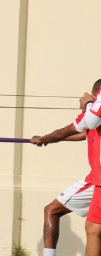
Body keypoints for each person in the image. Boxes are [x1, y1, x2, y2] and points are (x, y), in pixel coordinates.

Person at [30, 79, 101, 256]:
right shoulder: (91, 118)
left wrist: (88, 104)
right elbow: (81, 133)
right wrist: (48, 139)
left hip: (96, 180)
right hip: (94, 179)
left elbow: (81, 126)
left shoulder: (93, 109)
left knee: (90, 228)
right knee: (93, 228)